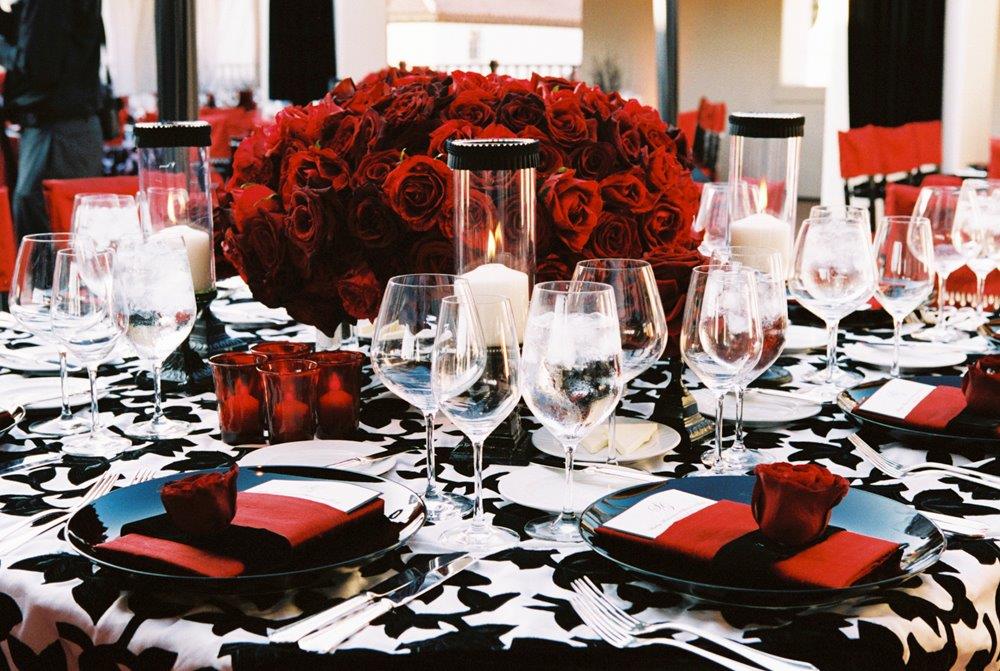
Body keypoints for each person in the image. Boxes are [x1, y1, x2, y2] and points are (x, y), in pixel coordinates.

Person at [0, 0, 104, 240]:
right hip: (63, 128)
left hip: (59, 130)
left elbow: (37, 64)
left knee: (48, 230)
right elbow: (36, 35)